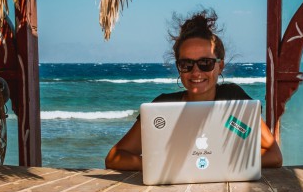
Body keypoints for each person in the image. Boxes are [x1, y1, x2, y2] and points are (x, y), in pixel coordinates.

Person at [105, 10, 283, 171]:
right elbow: (115, 157)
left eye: (206, 63)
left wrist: (220, 162)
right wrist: (161, 165)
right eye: (186, 64)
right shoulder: (162, 107)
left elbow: (274, 155)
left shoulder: (234, 100)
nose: (196, 72)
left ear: (220, 66)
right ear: (178, 68)